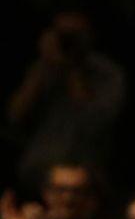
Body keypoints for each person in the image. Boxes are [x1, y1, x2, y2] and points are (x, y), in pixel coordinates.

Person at [7, 12, 126, 195]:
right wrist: (43, 67)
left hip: (84, 174)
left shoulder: (107, 73)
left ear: (90, 35)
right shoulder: (41, 67)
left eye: (74, 35)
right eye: (62, 34)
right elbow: (15, 115)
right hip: (38, 171)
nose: (67, 41)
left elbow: (92, 121)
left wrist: (72, 68)